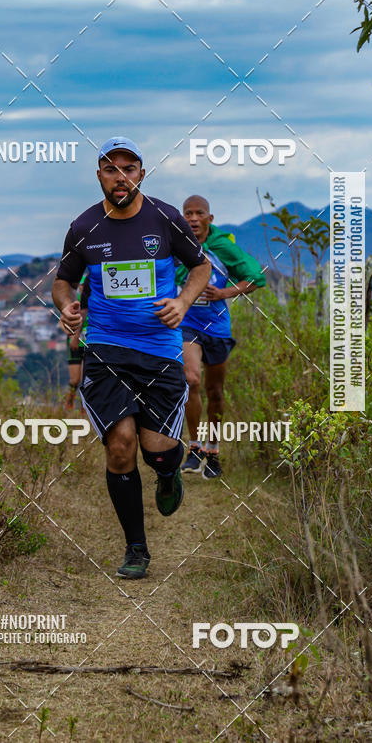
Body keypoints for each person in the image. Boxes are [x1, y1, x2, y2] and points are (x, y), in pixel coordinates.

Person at [52, 137, 211, 579]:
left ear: (141, 173)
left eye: (129, 168)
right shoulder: (84, 226)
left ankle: (167, 472)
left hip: (159, 349)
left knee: (156, 451)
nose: (119, 176)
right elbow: (63, 280)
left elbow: (200, 267)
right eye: (110, 168)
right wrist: (66, 305)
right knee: (120, 447)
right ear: (99, 175)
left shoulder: (164, 218)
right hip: (106, 348)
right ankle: (135, 549)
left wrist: (182, 302)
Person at [177, 195, 266, 479]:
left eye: (198, 213)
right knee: (191, 380)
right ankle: (193, 447)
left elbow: (256, 277)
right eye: (187, 213)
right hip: (186, 323)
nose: (192, 218)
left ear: (209, 219)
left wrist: (225, 293)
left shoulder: (221, 247)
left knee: (215, 392)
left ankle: (213, 451)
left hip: (216, 326)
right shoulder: (176, 244)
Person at [64, 274, 89, 410]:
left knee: (86, 379)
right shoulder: (75, 301)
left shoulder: (94, 300)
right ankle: (68, 404)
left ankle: (84, 409)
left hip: (89, 344)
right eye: (82, 286)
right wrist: (72, 334)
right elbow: (63, 323)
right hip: (75, 344)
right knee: (75, 380)